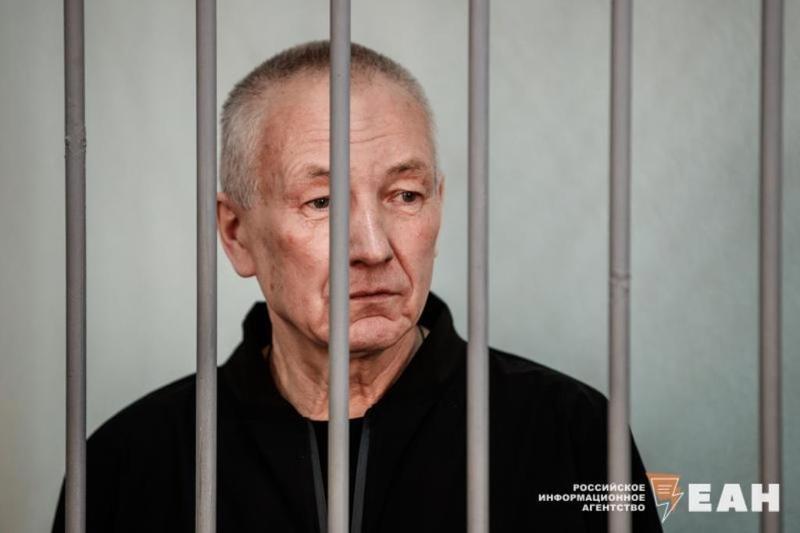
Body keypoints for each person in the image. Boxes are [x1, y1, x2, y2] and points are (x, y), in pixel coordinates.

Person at [52, 41, 663, 532]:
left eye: (405, 195)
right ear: (236, 234)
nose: (371, 247)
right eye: (320, 202)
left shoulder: (572, 434)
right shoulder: (130, 462)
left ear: (439, 206)